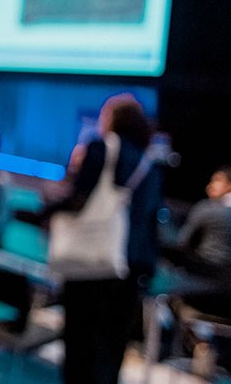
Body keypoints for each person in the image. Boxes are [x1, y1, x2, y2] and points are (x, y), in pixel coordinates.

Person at [51, 95, 161, 384]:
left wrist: (50, 206)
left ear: (112, 119)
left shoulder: (100, 148)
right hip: (129, 268)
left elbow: (77, 199)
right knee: (112, 347)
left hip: (91, 262)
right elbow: (151, 223)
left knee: (80, 342)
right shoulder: (148, 162)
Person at [164, 167, 231, 277]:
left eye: (217, 180)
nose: (210, 186)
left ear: (229, 186)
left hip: (202, 270)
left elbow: (182, 242)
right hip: (227, 277)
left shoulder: (206, 208)